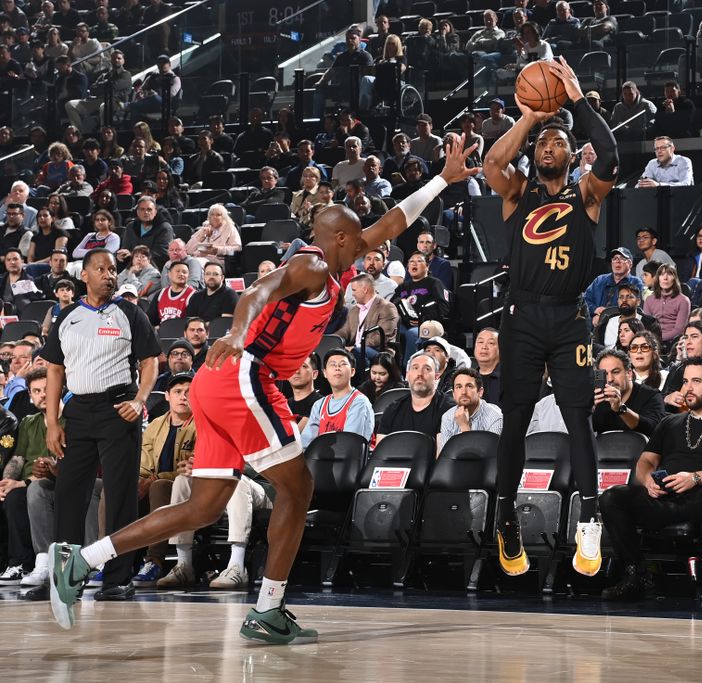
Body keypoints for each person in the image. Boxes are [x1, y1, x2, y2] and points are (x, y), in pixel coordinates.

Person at [47, 135, 478, 638]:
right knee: (298, 486)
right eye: (357, 236)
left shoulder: (339, 260)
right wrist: (232, 331)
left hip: (219, 384)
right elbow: (257, 289)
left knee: (203, 505)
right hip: (243, 375)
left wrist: (442, 180)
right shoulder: (312, 265)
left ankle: (82, 561)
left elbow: (393, 221)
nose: (367, 242)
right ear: (337, 238)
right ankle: (269, 609)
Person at [483, 57, 617, 578]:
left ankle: (590, 517)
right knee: (515, 417)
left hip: (568, 318)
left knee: (578, 415)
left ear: (570, 155)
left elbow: (607, 153)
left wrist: (576, 99)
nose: (549, 147)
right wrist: (530, 119)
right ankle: (505, 517)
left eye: (558, 142)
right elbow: (494, 164)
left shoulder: (587, 194)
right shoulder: (519, 192)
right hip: (521, 316)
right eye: (544, 143)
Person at [42, 248, 160, 602]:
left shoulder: (129, 312)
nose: (110, 275)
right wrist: (52, 421)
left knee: (120, 495)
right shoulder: (67, 316)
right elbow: (54, 370)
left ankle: (118, 578)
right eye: (101, 269)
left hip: (118, 408)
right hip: (77, 410)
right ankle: (67, 578)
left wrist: (139, 401)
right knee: (68, 495)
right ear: (85, 276)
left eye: (113, 269)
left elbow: (151, 361)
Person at [599, 357, 702, 603]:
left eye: (696, 381)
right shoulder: (670, 422)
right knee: (612, 497)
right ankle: (634, 574)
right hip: (664, 498)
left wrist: (695, 478)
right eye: (684, 382)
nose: (688, 388)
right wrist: (648, 480)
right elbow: (646, 461)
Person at [130, 373, 196, 587]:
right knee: (115, 488)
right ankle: (110, 559)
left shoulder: (201, 423)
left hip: (185, 489)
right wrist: (140, 479)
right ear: (167, 396)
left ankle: (154, 560)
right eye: (177, 392)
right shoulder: (155, 425)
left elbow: (191, 468)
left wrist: (156, 478)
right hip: (151, 482)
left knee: (159, 486)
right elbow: (143, 460)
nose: (183, 396)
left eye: (188, 392)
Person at [375, 351, 456, 447]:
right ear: (407, 375)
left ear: (436, 377)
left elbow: (442, 456)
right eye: (415, 368)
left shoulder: (449, 409)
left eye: (427, 369)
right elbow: (380, 454)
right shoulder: (393, 409)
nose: (419, 374)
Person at [300, 349, 374, 448]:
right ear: (325, 373)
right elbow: (305, 444)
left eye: (343, 364)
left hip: (347, 461)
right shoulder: (319, 405)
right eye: (333, 364)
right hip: (320, 460)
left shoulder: (359, 402)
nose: (337, 368)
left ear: (352, 372)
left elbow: (349, 444)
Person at [592, 348, 666, 437]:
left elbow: (653, 429)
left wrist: (620, 409)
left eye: (615, 372)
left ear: (629, 374)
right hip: (604, 449)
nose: (610, 379)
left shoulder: (651, 396)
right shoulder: (598, 399)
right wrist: (588, 412)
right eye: (605, 374)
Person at [334, 273, 398, 366]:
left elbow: (379, 337)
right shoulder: (354, 310)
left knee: (356, 352)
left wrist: (355, 347)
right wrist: (333, 339)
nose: (352, 294)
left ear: (365, 290)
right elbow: (345, 331)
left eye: (354, 290)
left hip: (379, 352)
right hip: (356, 350)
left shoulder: (387, 307)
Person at [439, 367, 503, 447]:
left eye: (469, 386)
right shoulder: (447, 417)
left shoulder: (495, 417)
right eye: (459, 387)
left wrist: (464, 426)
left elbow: (488, 455)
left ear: (480, 392)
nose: (463, 392)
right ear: (453, 394)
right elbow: (447, 455)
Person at [585, 247, 644, 324]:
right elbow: (585, 300)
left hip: (621, 324)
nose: (617, 261)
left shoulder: (636, 282)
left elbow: (636, 308)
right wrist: (595, 310)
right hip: (595, 324)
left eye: (622, 258)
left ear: (630, 264)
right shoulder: (600, 280)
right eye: (615, 259)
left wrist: (605, 316)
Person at [643, 264, 691, 348]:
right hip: (652, 342)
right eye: (662, 274)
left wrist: (659, 338)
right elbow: (647, 327)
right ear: (658, 278)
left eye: (669, 274)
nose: (665, 278)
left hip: (674, 343)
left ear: (675, 278)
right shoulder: (649, 300)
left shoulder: (683, 300)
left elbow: (679, 330)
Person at [147, 261, 195, 327]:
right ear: (169, 274)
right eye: (178, 271)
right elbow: (150, 319)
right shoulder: (160, 294)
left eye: (184, 272)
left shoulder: (193, 295)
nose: (181, 274)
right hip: (162, 334)